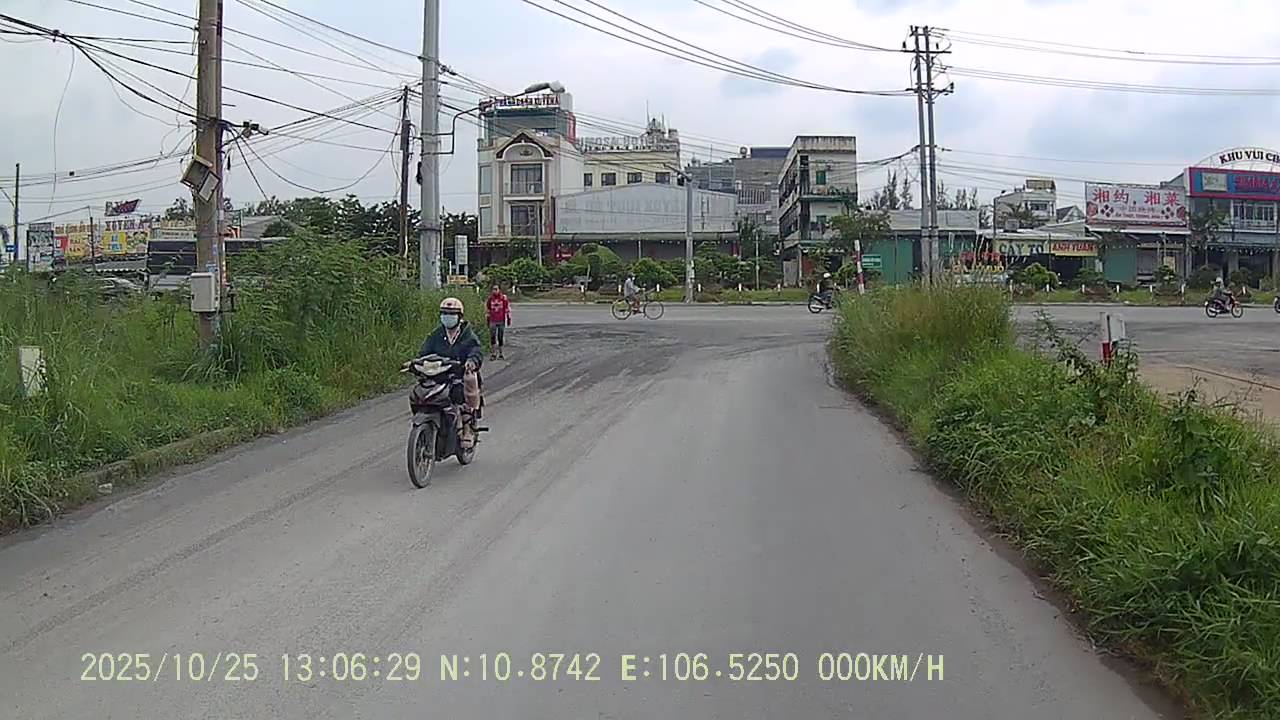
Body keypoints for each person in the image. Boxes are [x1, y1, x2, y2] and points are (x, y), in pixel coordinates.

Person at [417, 297, 484, 448]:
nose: (447, 317)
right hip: (438, 374)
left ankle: (467, 428)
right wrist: (417, 362)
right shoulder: (436, 334)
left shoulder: (467, 335)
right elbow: (424, 352)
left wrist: (471, 362)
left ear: (459, 317)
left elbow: (475, 350)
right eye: (445, 313)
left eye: (452, 314)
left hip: (459, 375)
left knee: (461, 393)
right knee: (421, 392)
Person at [486, 284, 512, 360]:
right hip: (493, 320)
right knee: (492, 337)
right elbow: (488, 310)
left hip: (501, 320)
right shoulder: (490, 299)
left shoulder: (503, 298)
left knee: (500, 337)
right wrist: (487, 320)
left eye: (496, 289)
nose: (495, 291)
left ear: (499, 290)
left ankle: (501, 353)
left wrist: (508, 318)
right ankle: (493, 353)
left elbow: (507, 308)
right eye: (493, 289)